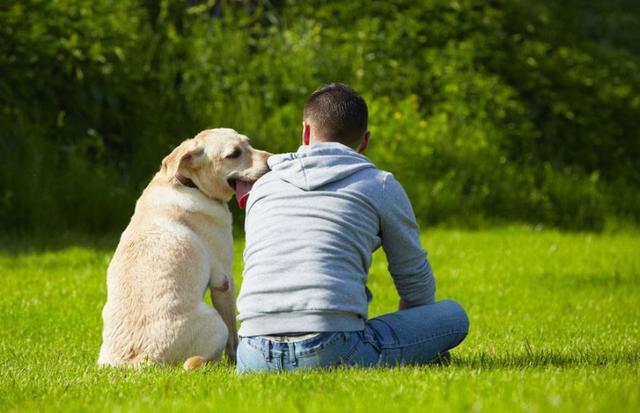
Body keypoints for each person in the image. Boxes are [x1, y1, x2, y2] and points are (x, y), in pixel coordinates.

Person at [235, 83, 469, 372]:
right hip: (332, 348)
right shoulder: (379, 184)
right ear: (365, 141)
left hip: (251, 353)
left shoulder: (263, 186)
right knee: (454, 317)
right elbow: (415, 282)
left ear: (306, 132)